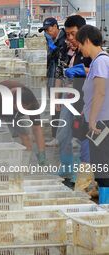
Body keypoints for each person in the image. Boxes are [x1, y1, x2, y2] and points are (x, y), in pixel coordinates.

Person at [56, 15, 92, 182]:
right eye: (67, 34)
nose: (70, 38)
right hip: (68, 95)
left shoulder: (89, 50)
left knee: (81, 136)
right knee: (63, 133)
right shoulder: (66, 49)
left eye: (73, 34)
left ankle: (81, 175)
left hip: (84, 99)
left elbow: (98, 72)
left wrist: (82, 70)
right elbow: (59, 72)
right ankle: (66, 167)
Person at [76, 25, 109, 203]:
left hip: (102, 121)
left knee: (103, 163)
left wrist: (93, 119)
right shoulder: (97, 62)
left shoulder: (101, 61)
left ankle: (105, 204)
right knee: (100, 163)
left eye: (81, 44)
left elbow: (100, 92)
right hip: (100, 119)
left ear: (87, 40)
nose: (80, 48)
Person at [0, 81, 47, 165]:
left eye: (26, 109)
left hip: (14, 112)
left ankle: (24, 165)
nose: (24, 110)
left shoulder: (32, 103)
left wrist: (42, 153)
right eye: (21, 108)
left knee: (26, 136)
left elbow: (37, 129)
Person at [39, 17, 68, 147]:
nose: (47, 32)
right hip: (52, 75)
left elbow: (60, 56)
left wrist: (53, 47)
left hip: (61, 78)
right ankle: (56, 135)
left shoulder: (64, 39)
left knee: (61, 106)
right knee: (54, 106)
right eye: (45, 30)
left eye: (48, 29)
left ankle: (60, 136)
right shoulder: (51, 40)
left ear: (56, 27)